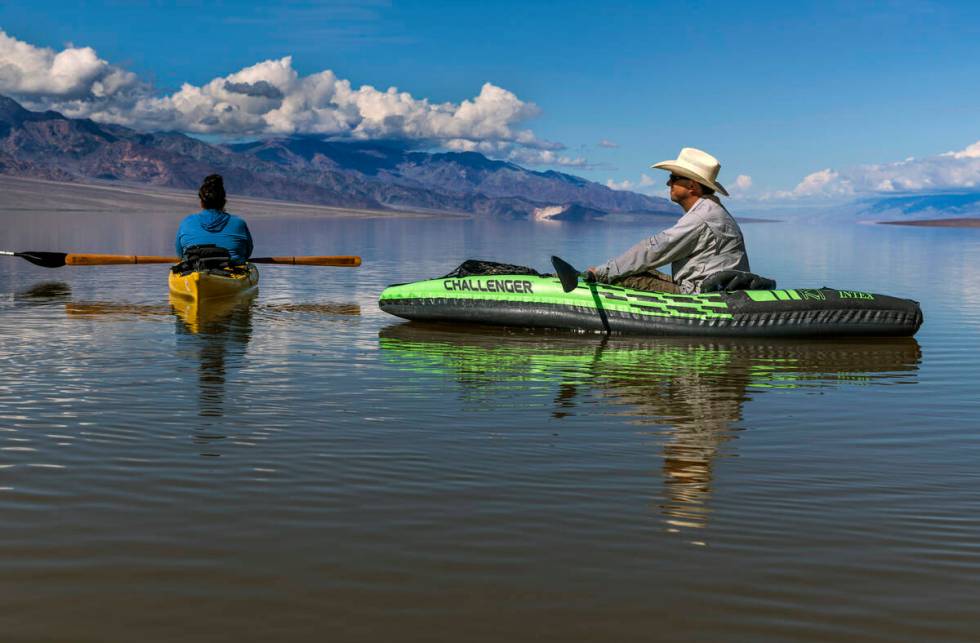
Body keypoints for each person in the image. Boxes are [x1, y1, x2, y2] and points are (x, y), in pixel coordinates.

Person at [588, 147, 749, 294]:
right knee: (634, 270)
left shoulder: (701, 217)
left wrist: (603, 271)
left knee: (620, 277)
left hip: (700, 294)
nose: (668, 183)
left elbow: (655, 248)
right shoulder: (713, 210)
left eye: (674, 178)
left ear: (692, 185)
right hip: (716, 288)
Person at [175, 174, 253, 264]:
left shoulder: (186, 222)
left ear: (201, 202)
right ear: (224, 201)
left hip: (195, 269)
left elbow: (180, 254)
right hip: (231, 270)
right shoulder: (239, 223)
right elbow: (247, 253)